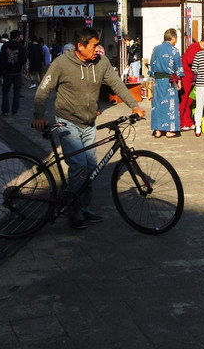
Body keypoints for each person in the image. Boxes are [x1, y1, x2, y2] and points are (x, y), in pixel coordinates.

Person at [32, 26, 146, 230]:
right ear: (80, 46)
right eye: (94, 45)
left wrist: (134, 105)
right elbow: (43, 90)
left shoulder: (101, 63)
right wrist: (39, 116)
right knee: (79, 166)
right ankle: (74, 210)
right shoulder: (61, 63)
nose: (97, 49)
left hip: (89, 123)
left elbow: (117, 84)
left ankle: (84, 207)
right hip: (67, 122)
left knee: (91, 167)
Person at [149, 29, 183, 138]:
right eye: (176, 38)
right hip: (169, 81)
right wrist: (179, 80)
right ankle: (169, 130)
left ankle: (158, 130)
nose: (176, 41)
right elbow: (178, 67)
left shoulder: (156, 49)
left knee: (157, 105)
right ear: (172, 38)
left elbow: (151, 66)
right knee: (170, 105)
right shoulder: (174, 51)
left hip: (158, 81)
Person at [0, 30, 26, 115]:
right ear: (17, 36)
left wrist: (1, 71)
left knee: (5, 91)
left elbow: (2, 59)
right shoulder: (21, 46)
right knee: (16, 92)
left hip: (7, 71)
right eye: (19, 36)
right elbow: (23, 60)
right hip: (17, 71)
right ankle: (15, 110)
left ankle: (5, 110)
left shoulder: (5, 45)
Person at [179, 38, 202, 131]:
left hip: (191, 77)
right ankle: (180, 122)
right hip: (186, 76)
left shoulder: (197, 48)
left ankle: (187, 121)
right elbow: (190, 60)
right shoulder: (194, 47)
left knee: (189, 101)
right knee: (184, 100)